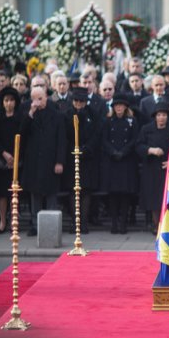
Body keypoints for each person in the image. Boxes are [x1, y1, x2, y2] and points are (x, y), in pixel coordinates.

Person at [20, 87, 66, 236]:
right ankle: (35, 224)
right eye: (34, 99)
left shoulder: (57, 115)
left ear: (46, 97)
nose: (37, 102)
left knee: (51, 193)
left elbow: (61, 140)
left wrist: (59, 161)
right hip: (33, 162)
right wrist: (30, 115)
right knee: (35, 194)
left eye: (40, 98)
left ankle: (51, 225)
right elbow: (21, 134)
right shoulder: (28, 114)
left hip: (50, 160)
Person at [63, 87, 101, 234]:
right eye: (76, 101)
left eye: (82, 101)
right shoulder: (67, 114)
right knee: (73, 191)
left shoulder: (93, 114)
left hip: (87, 158)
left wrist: (87, 148)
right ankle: (74, 222)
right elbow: (64, 135)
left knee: (85, 191)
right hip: (72, 157)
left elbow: (97, 134)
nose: (79, 103)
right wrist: (73, 149)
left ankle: (83, 222)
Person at [101, 93, 140, 234]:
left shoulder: (132, 121)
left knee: (125, 194)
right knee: (113, 194)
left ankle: (123, 223)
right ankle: (114, 223)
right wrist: (113, 152)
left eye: (121, 105)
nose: (119, 108)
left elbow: (134, 139)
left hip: (126, 161)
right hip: (112, 161)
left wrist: (123, 151)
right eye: (116, 105)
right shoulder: (107, 121)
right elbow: (104, 140)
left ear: (125, 107)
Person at [137, 102, 169, 234]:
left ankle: (167, 225)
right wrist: (150, 150)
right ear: (155, 116)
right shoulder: (146, 129)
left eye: (164, 115)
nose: (161, 118)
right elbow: (138, 147)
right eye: (159, 115)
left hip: (168, 168)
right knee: (154, 200)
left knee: (166, 198)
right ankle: (156, 225)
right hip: (151, 168)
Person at [0, 87, 22, 234]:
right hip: (1, 158)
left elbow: (24, 137)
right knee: (1, 192)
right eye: (6, 100)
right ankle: (2, 220)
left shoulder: (19, 118)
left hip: (17, 158)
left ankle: (13, 220)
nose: (9, 103)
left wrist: (15, 156)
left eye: (11, 100)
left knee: (14, 192)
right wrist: (4, 154)